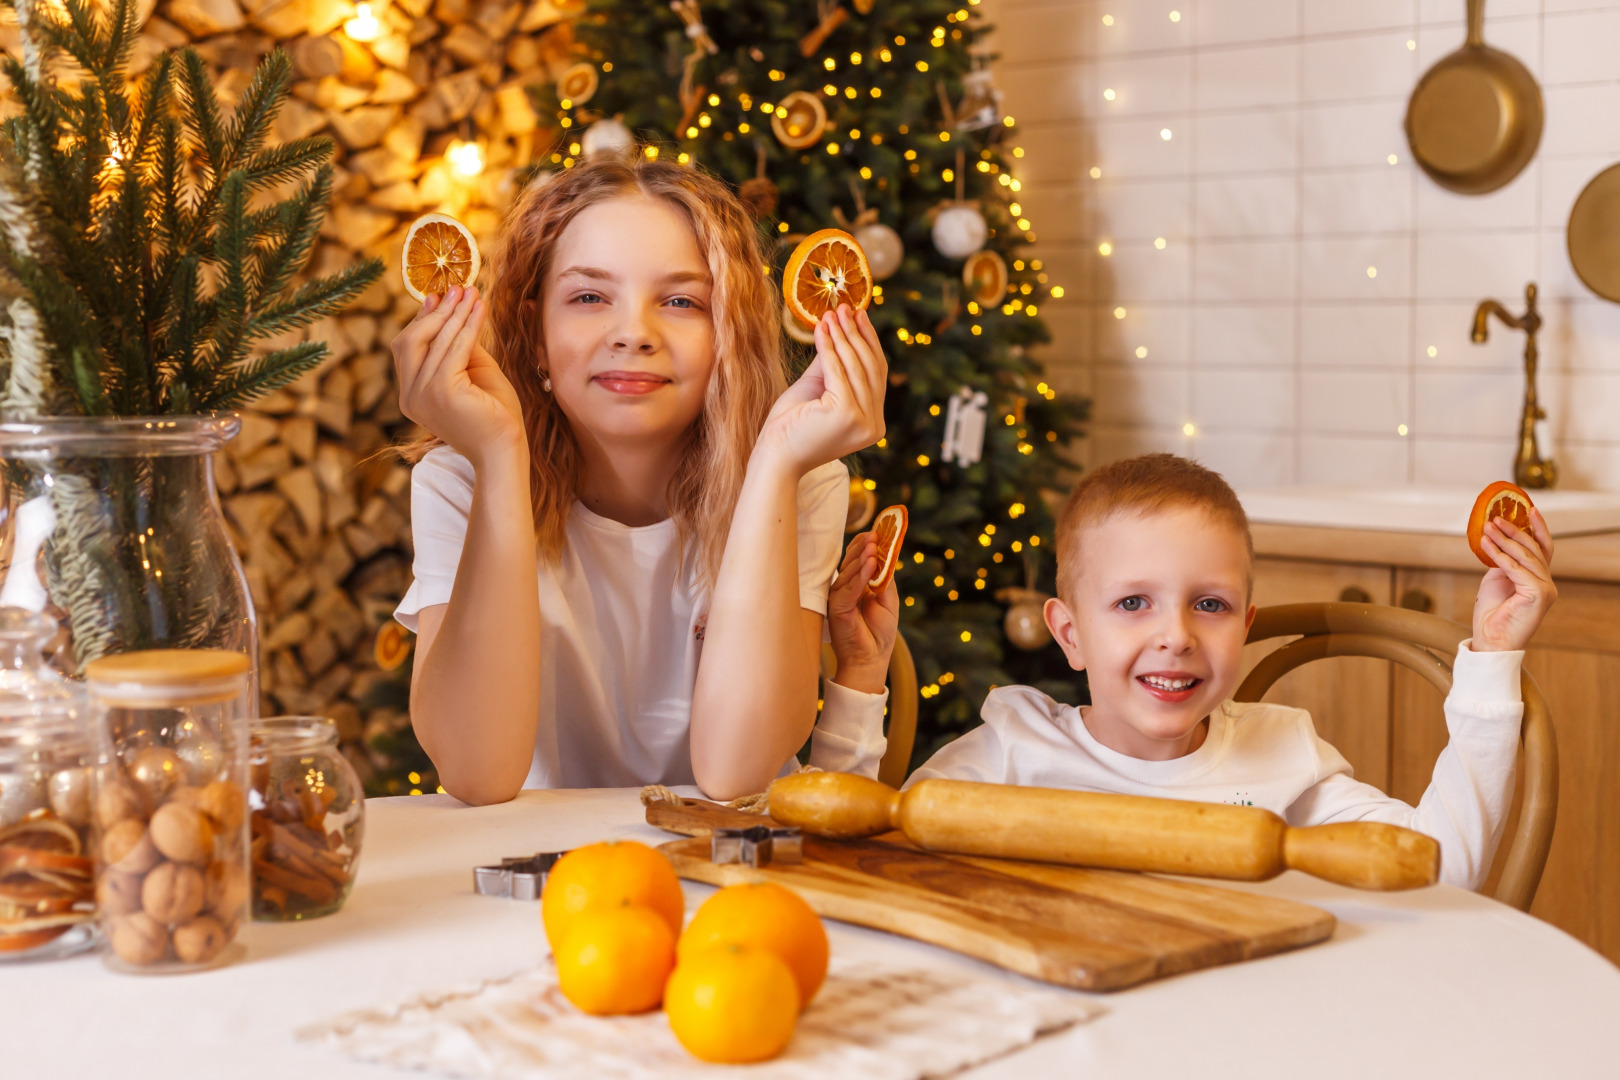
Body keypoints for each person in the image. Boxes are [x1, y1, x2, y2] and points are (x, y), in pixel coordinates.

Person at [390, 157, 891, 804]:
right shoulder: (458, 479)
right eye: (590, 297)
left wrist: (774, 463)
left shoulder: (801, 480)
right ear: (536, 333)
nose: (634, 334)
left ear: (728, 337)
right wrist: (498, 455)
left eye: (682, 301)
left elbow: (735, 774)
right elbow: (476, 773)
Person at [906, 454, 1556, 890]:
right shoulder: (1012, 753)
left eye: (1209, 604)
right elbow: (881, 861)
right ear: (1071, 635)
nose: (1176, 636)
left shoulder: (1281, 758)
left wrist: (1492, 659)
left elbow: (1437, 870)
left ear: (1243, 627)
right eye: (1134, 603)